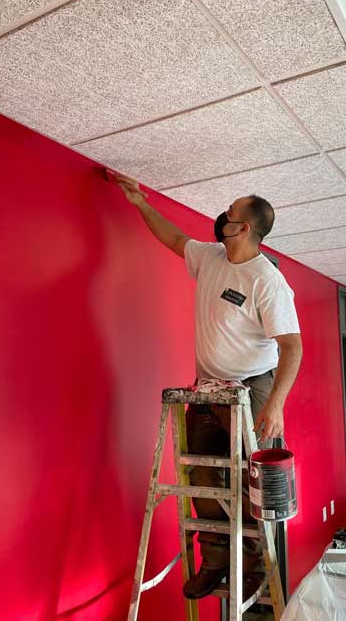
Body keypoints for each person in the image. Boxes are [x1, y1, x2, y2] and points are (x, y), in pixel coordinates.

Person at [109, 170, 302, 601]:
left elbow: (293, 347)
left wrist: (276, 403)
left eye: (230, 212)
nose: (222, 216)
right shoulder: (212, 257)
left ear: (245, 227)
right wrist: (140, 203)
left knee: (247, 482)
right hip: (206, 386)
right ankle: (215, 563)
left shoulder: (267, 281)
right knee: (202, 475)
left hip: (252, 388)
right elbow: (175, 239)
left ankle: (253, 567)